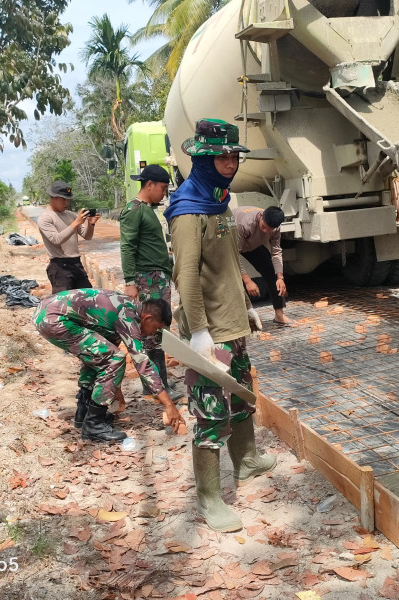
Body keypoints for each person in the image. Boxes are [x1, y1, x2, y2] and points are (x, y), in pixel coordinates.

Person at [164, 119, 275, 533]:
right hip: (209, 331)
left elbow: (226, 263)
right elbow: (187, 275)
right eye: (222, 156)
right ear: (202, 158)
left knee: (242, 396)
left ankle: (246, 460)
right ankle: (210, 499)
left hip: (232, 325)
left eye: (234, 155)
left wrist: (245, 304)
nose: (230, 162)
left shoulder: (218, 200)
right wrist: (197, 331)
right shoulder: (189, 210)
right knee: (211, 416)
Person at [34, 289, 185, 443]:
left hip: (47, 313)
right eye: (156, 328)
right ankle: (94, 424)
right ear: (148, 318)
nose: (153, 333)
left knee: (101, 355)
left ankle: (84, 411)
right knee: (115, 359)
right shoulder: (128, 316)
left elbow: (103, 354)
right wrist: (169, 404)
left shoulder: (124, 309)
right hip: (54, 319)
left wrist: (114, 388)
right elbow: (143, 364)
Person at [120, 164, 184, 401]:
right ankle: (157, 387)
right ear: (150, 185)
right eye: (163, 188)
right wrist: (129, 281)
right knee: (152, 332)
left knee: (158, 332)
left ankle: (158, 384)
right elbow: (127, 246)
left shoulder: (145, 209)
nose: (164, 193)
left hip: (156, 277)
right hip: (147, 279)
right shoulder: (134, 210)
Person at [233, 205, 292, 325]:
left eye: (269, 230)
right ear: (260, 216)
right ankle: (238, 320)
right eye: (264, 227)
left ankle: (279, 315)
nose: (266, 231)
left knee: (272, 273)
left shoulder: (275, 227)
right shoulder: (244, 224)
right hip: (230, 245)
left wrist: (280, 278)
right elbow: (234, 254)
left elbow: (276, 251)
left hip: (252, 244)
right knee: (231, 279)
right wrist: (248, 281)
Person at [37, 180, 98, 293]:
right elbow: (56, 239)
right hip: (59, 266)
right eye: (63, 199)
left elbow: (87, 236)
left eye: (68, 199)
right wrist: (76, 223)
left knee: (87, 298)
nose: (66, 203)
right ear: (53, 197)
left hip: (76, 263)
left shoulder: (70, 215)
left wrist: (91, 223)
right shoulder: (46, 218)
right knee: (63, 303)